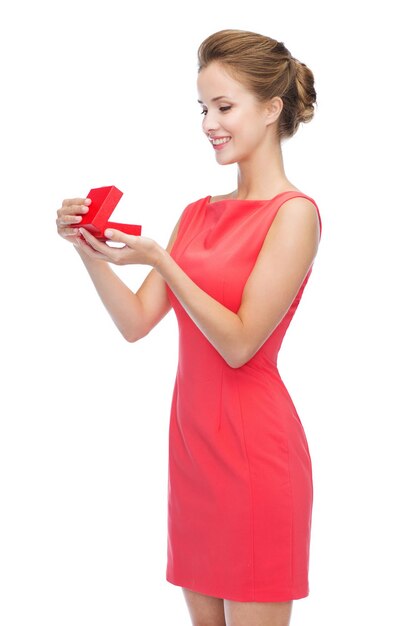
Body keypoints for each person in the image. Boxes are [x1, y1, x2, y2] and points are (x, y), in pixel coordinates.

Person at [56, 28, 322, 626]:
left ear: (272, 108)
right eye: (204, 108)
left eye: (224, 107)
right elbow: (136, 323)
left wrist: (162, 260)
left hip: (256, 456)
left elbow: (238, 342)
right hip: (194, 453)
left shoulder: (295, 215)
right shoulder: (196, 214)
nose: (209, 123)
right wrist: (86, 251)